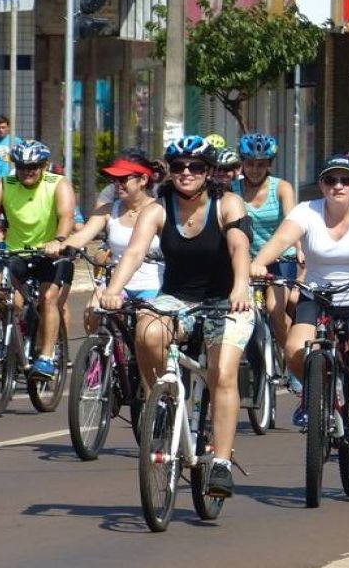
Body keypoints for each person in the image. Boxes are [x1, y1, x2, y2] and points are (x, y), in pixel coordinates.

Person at [101, 135, 254, 498]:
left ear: (209, 172)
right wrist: (114, 290)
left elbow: (239, 249)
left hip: (225, 300)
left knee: (223, 372)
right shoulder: (158, 208)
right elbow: (136, 252)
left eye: (196, 167)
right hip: (176, 298)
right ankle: (162, 406)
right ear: (169, 171)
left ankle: (220, 462)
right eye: (179, 166)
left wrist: (240, 288)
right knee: (147, 331)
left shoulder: (227, 203)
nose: (187, 173)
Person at [251, 155, 349, 469]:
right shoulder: (306, 211)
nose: (338, 186)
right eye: (330, 180)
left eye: (345, 180)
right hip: (318, 295)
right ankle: (315, 394)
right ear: (321, 184)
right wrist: (259, 263)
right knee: (294, 350)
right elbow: (281, 239)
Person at [0, 140, 75, 380]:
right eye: (21, 166)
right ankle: (8, 344)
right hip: (16, 252)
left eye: (33, 167)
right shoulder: (4, 184)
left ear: (44, 166)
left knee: (48, 299)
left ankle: (46, 357)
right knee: (3, 294)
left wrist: (58, 241)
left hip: (50, 253)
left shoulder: (58, 184)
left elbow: (67, 216)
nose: (27, 172)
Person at [45, 156, 162, 333]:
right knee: (92, 315)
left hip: (152, 285)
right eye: (114, 180)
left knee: (146, 331)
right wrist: (59, 245)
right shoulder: (108, 210)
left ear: (143, 180)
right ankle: (101, 356)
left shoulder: (160, 210)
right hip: (115, 283)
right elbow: (82, 235)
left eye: (123, 179)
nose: (117, 184)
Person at [232, 132, 297, 364]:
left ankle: (290, 359)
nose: (255, 169)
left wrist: (300, 252)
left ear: (269, 164)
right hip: (245, 261)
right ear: (242, 163)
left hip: (281, 259)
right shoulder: (232, 190)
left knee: (274, 307)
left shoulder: (282, 188)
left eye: (261, 164)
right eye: (249, 163)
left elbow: (293, 222)